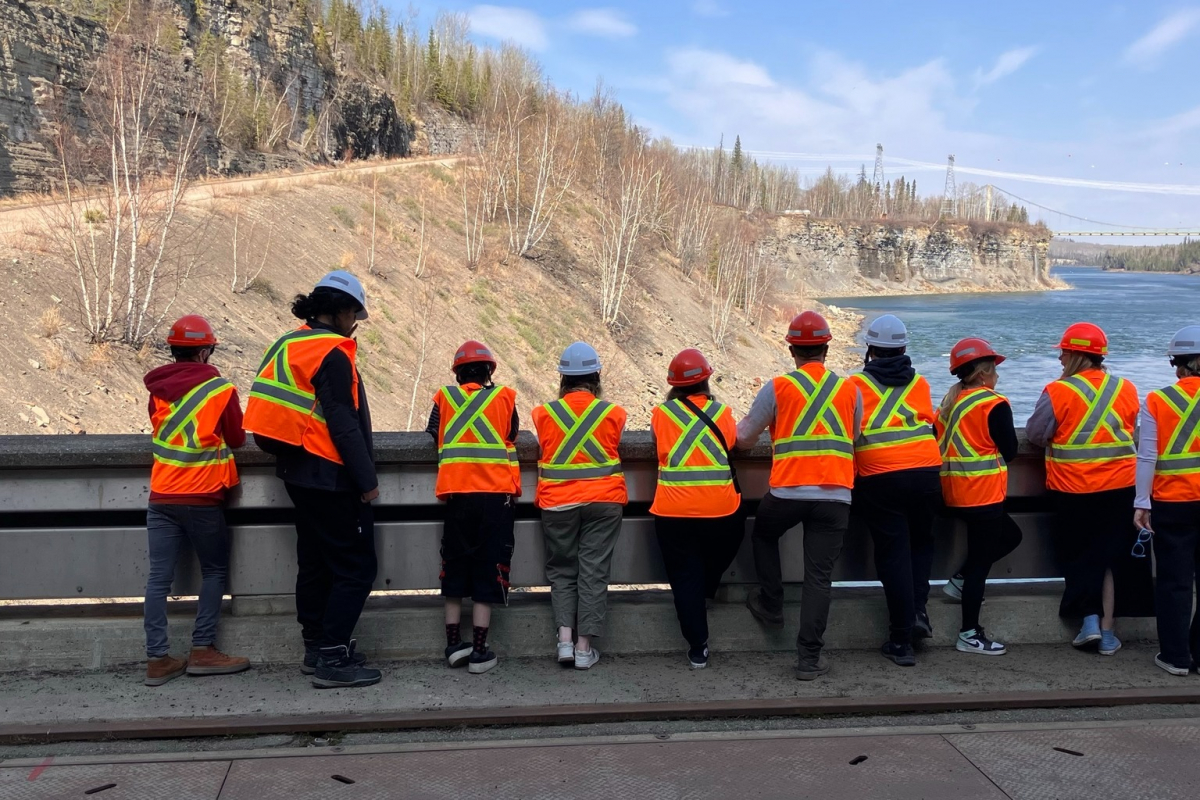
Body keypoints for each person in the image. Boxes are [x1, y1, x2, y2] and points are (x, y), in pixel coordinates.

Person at [244, 270, 381, 689]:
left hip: (296, 470)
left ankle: (315, 646)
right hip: (330, 474)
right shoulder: (333, 353)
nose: (354, 323)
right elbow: (343, 424)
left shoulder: (287, 343)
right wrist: (367, 480)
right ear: (340, 312)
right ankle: (334, 657)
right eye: (353, 315)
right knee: (357, 568)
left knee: (316, 562)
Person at [737, 310, 861, 680]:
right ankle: (809, 659)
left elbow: (744, 437)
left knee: (763, 533)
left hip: (788, 491)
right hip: (837, 494)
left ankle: (772, 603)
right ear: (826, 348)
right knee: (818, 578)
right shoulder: (849, 389)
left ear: (792, 349)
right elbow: (853, 438)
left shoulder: (778, 387)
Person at [1026, 322, 1152, 656]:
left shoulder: (1058, 391)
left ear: (1077, 355)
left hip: (1073, 487)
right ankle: (1109, 632)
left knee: (1079, 555)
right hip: (1121, 487)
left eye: (1064, 352)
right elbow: (1131, 430)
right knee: (1111, 558)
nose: (1060, 359)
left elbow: (1037, 434)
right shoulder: (1126, 388)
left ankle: (1090, 622)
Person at [142, 315, 250, 686]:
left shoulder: (158, 390)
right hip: (203, 496)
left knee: (158, 580)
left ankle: (158, 660)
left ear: (173, 351)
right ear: (205, 351)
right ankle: (203, 650)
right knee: (215, 571)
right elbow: (236, 439)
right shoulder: (220, 390)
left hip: (161, 495)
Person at [848, 314, 943, 668]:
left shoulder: (854, 385)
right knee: (921, 545)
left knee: (893, 554)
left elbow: (848, 434)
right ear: (903, 348)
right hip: (926, 475)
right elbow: (929, 425)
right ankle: (918, 612)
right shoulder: (919, 382)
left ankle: (901, 638)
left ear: (869, 348)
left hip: (880, 478)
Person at [426, 340, 521, 675]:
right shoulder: (504, 397)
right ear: (489, 372)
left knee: (453, 565)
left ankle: (453, 645)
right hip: (495, 497)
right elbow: (512, 432)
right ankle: (480, 652)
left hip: (456, 495)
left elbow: (433, 433)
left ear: (458, 373)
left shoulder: (444, 398)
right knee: (489, 567)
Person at [532, 341, 628, 670]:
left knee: (562, 571)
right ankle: (584, 649)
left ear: (562, 379)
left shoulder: (543, 414)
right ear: (597, 376)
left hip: (557, 502)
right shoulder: (614, 413)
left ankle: (564, 642)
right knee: (593, 572)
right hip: (604, 501)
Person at [650, 349, 743, 669]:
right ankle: (706, 587)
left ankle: (698, 646)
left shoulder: (661, 415)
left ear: (673, 386)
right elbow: (732, 443)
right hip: (720, 510)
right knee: (715, 557)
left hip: (672, 511)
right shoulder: (723, 413)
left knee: (683, 576)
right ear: (706, 380)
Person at [935, 338, 1022, 656]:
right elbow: (1010, 451)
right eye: (995, 370)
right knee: (981, 566)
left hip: (953, 492)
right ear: (984, 373)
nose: (997, 376)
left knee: (1011, 535)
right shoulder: (993, 404)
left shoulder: (950, 402)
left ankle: (959, 579)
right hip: (983, 493)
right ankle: (969, 633)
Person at [1135, 326, 1200, 676]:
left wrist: (1141, 502)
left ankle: (1176, 657)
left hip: (1173, 502)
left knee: (1174, 581)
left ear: (1178, 366)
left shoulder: (1157, 401)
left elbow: (1147, 456)